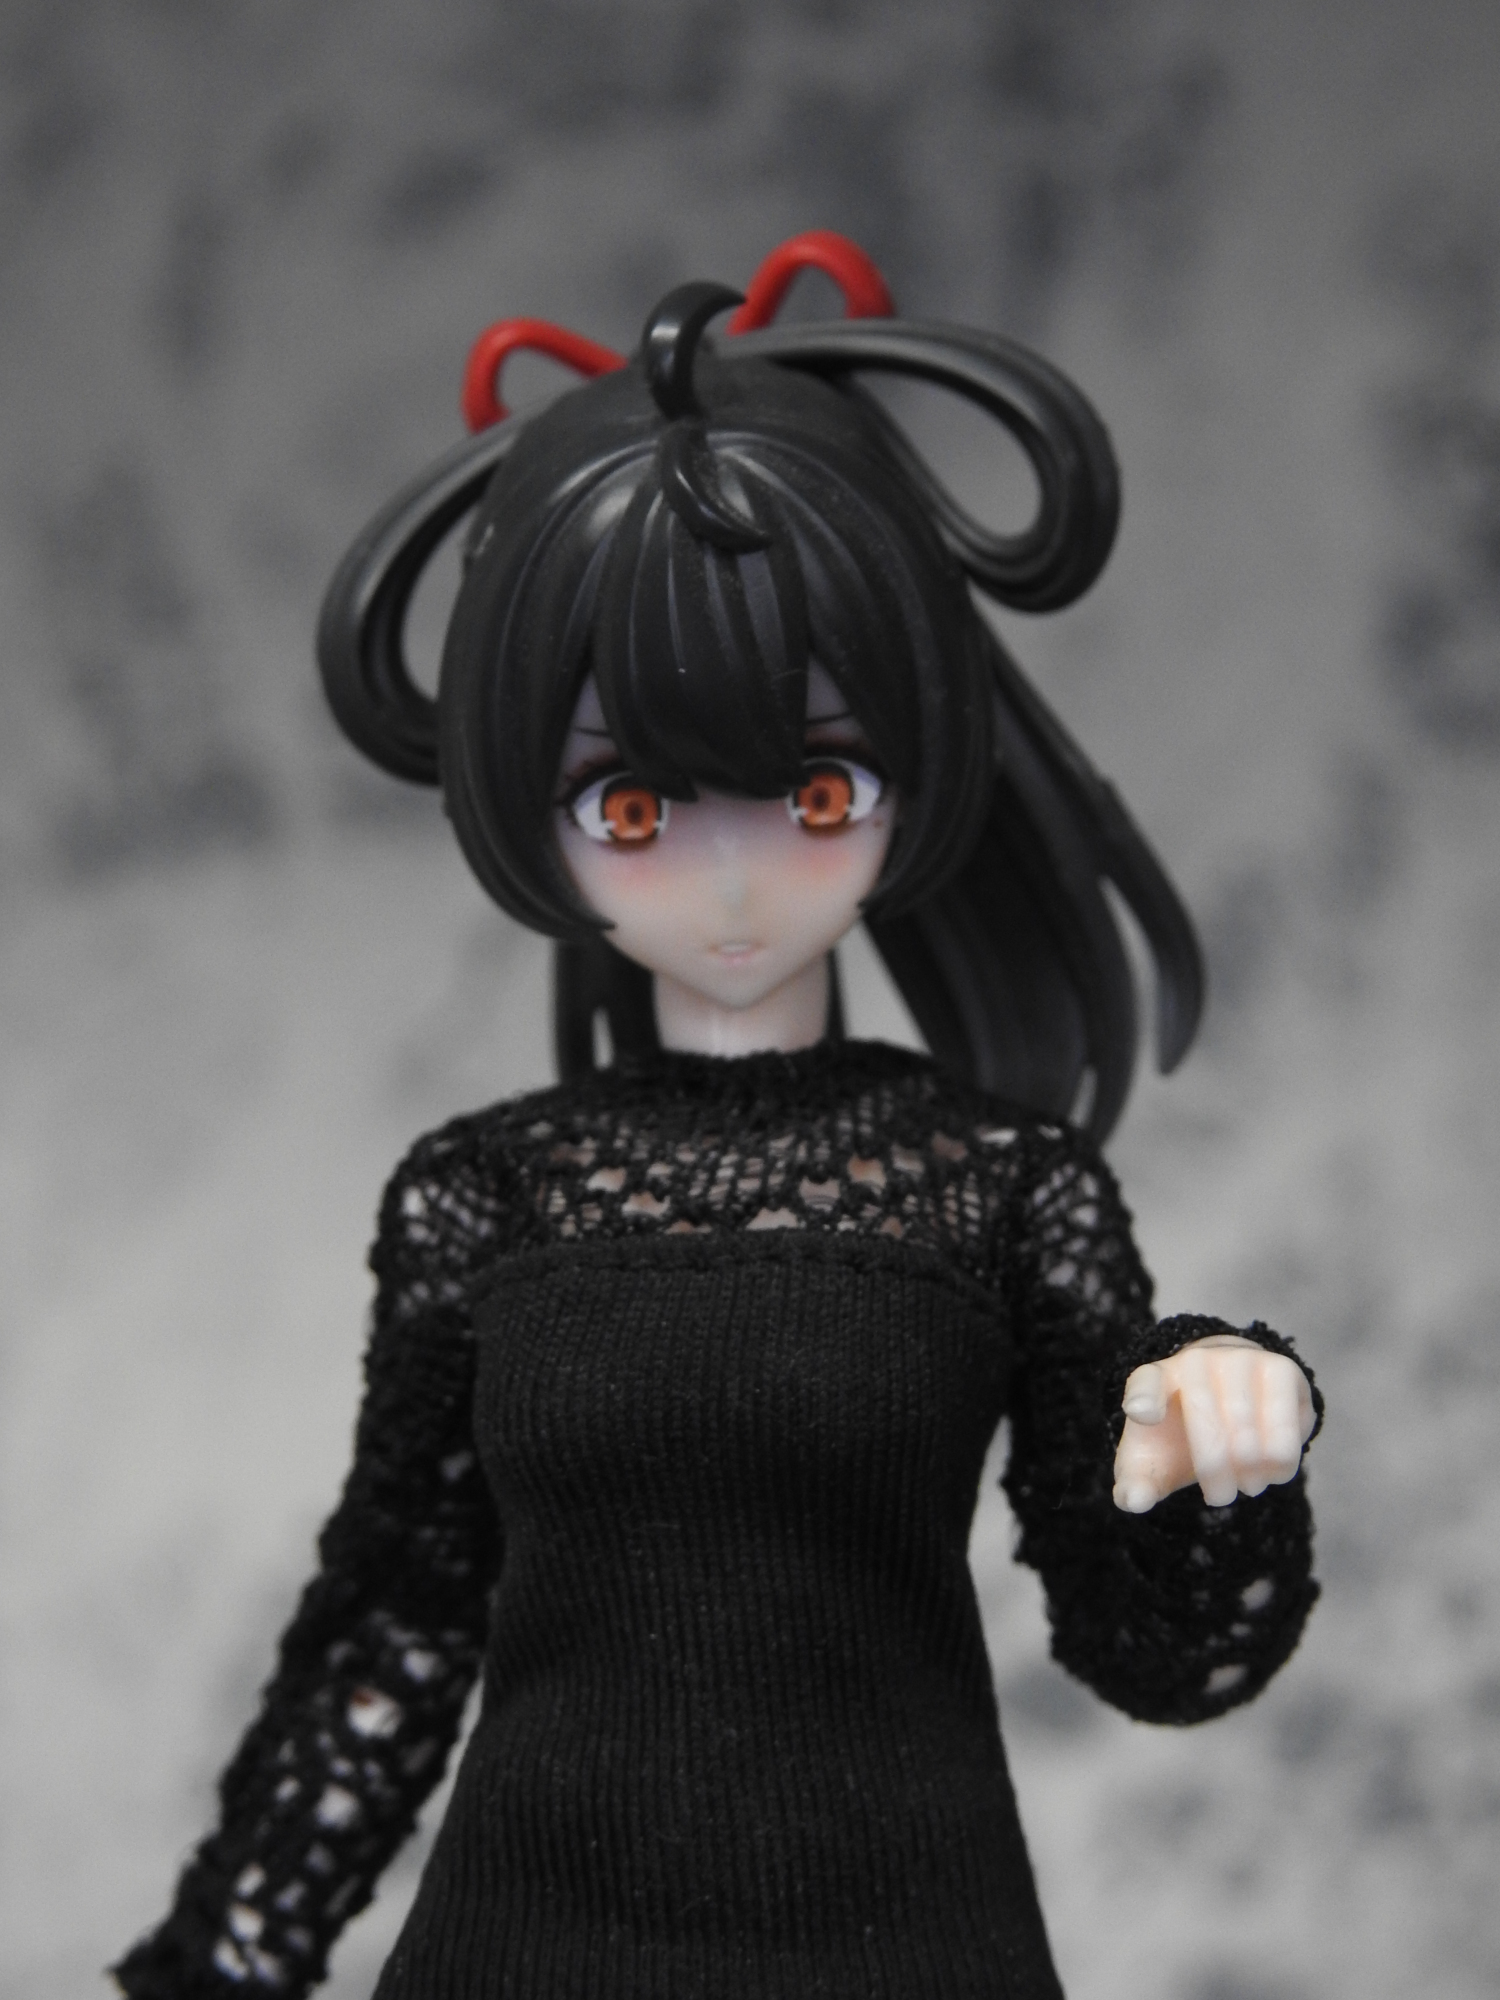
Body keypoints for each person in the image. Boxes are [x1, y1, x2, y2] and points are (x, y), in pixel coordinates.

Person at [113, 236, 1320, 2000]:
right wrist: (228, 1956)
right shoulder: (488, 1199)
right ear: (524, 804)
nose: (734, 877)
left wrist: (1219, 1439)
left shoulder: (1000, 1193)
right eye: (632, 803)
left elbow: (1160, 1652)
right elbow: (402, 1618)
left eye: (817, 787)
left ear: (918, 765)